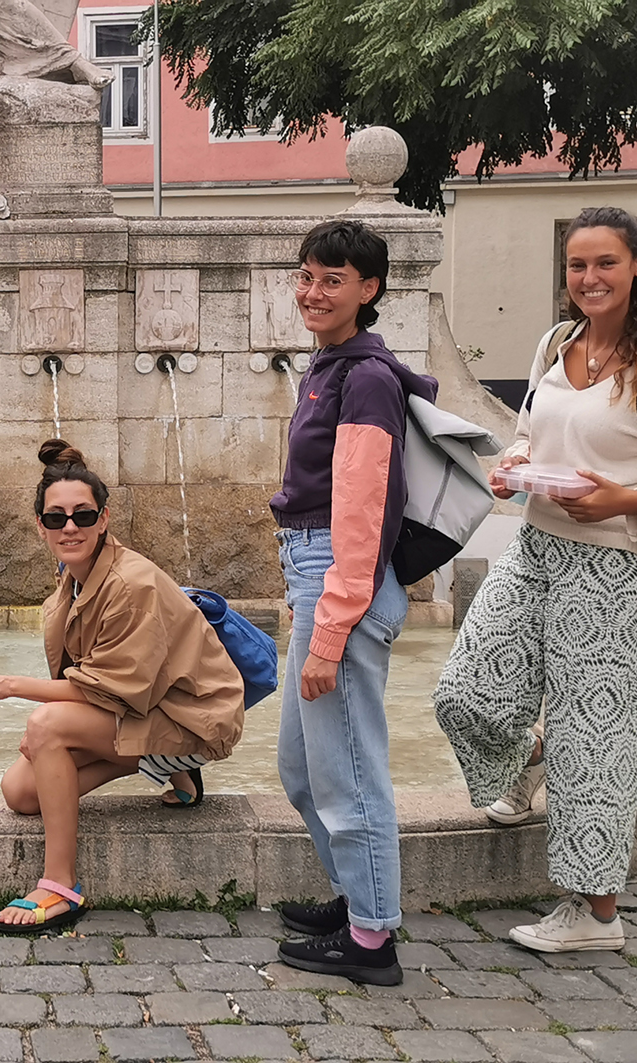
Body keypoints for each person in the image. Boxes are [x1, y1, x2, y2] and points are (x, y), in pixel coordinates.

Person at [434, 206, 637, 953]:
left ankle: (596, 915)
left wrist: (626, 500)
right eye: (576, 265)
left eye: (605, 262)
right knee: (464, 691)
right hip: (537, 546)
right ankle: (529, 759)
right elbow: (531, 431)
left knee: (595, 736)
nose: (589, 278)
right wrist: (514, 465)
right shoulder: (557, 342)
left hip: (619, 567)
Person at [0, 439, 244, 934]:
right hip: (144, 709)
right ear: (40, 525)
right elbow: (97, 682)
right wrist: (57, 738)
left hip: (192, 719)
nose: (70, 527)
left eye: (83, 516)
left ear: (103, 519)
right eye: (57, 517)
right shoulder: (76, 576)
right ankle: (172, 771)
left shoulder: (130, 584)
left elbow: (109, 689)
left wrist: (10, 687)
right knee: (20, 792)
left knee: (46, 726)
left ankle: (60, 886)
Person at [269, 220, 439, 985]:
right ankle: (355, 897)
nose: (312, 291)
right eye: (306, 275)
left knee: (348, 770)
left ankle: (371, 940)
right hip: (317, 572)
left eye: (331, 279)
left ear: (368, 288)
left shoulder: (365, 377)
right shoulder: (330, 361)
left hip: (341, 575)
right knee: (302, 768)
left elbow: (362, 513)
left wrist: (331, 623)